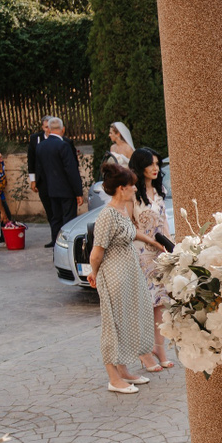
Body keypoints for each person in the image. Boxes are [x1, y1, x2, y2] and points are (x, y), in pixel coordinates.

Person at [87, 162, 161, 393]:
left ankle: (124, 371)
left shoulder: (121, 211)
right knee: (114, 326)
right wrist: (95, 274)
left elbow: (130, 232)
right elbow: (96, 252)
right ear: (121, 188)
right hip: (114, 276)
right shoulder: (107, 215)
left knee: (128, 321)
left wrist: (151, 241)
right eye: (132, 186)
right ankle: (113, 378)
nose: (135, 189)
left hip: (128, 275)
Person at [130, 147, 175, 372]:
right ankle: (144, 351)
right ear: (140, 166)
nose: (155, 168)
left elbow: (164, 222)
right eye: (150, 164)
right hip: (140, 254)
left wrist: (170, 247)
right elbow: (130, 226)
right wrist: (152, 242)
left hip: (159, 253)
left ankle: (159, 349)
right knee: (145, 306)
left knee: (160, 304)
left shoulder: (159, 191)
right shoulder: (132, 193)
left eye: (157, 163)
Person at [28, 116, 85, 249]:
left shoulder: (41, 146)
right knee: (68, 219)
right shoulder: (63, 145)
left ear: (49, 129)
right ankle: (67, 247)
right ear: (62, 129)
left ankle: (56, 245)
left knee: (55, 218)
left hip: (50, 189)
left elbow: (40, 168)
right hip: (66, 190)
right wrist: (78, 192)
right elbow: (71, 170)